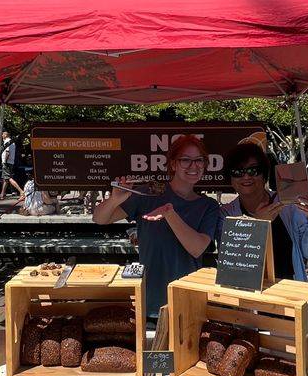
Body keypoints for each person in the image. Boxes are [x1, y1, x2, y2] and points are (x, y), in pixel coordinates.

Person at [93, 133, 219, 320]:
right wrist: (114, 200)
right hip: (149, 302)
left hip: (187, 301)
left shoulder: (208, 206)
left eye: (199, 160)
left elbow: (197, 248)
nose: (193, 166)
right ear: (173, 164)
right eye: (186, 160)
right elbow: (99, 218)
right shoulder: (149, 193)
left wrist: (169, 213)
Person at [220, 143, 308, 281]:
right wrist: (259, 225)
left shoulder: (289, 205)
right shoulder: (226, 214)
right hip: (247, 290)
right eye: (237, 172)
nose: (246, 177)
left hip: (288, 289)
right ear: (230, 179)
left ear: (264, 175)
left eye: (253, 170)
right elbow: (233, 263)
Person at [0, 131, 24, 200]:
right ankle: (2, 194)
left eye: (2, 134)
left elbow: (7, 152)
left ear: (5, 135)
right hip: (10, 162)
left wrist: (5, 161)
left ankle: (21, 191)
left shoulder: (7, 142)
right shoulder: (12, 143)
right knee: (6, 178)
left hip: (7, 162)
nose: (1, 136)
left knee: (8, 178)